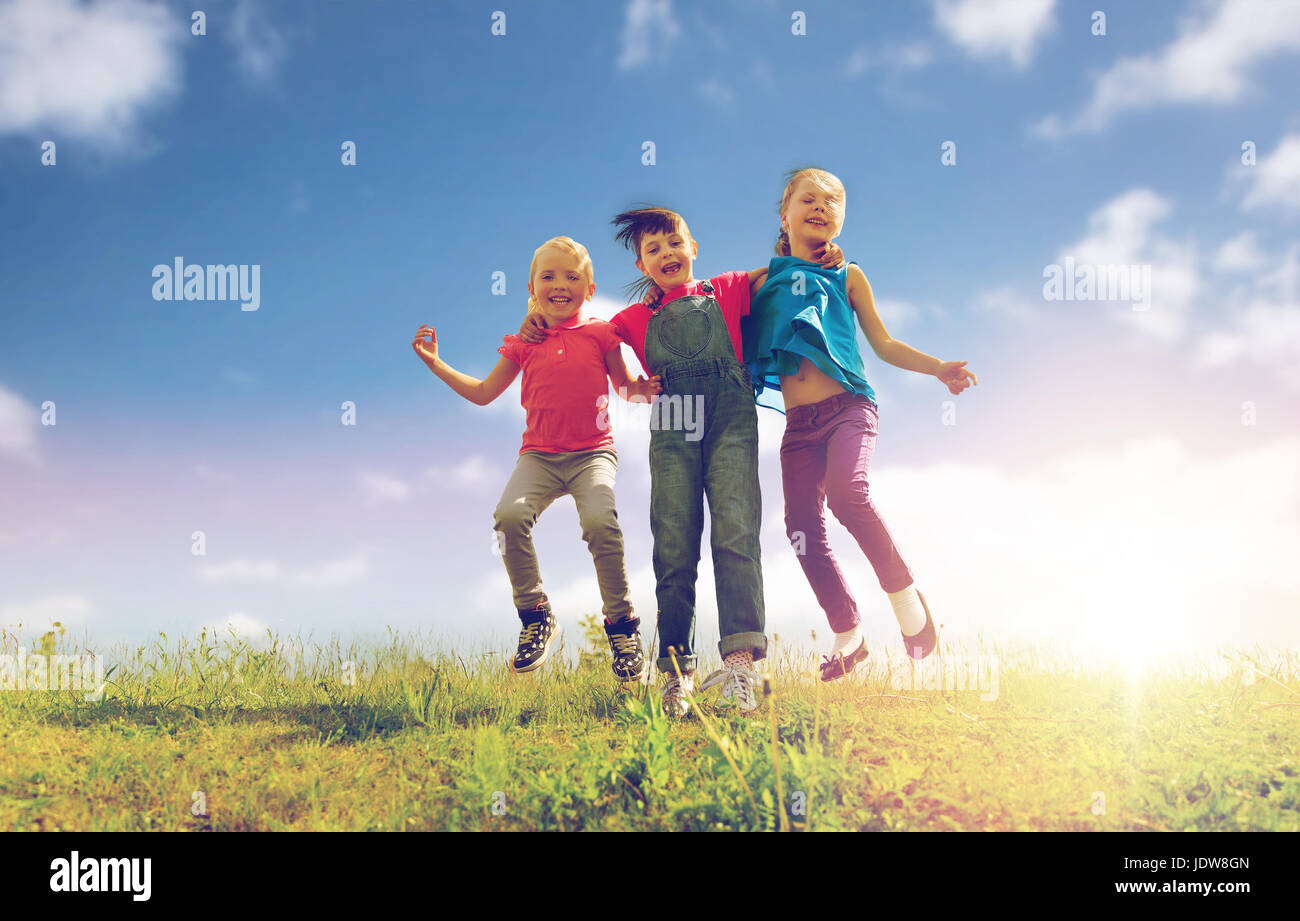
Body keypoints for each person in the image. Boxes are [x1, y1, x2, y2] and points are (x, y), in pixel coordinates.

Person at [744, 168, 978, 681]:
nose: (821, 207)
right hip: (800, 427)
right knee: (801, 525)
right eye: (809, 199)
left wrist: (938, 367)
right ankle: (848, 633)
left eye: (833, 202)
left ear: (841, 221)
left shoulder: (847, 276)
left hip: (850, 409)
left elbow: (885, 343)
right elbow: (707, 298)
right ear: (784, 214)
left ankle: (904, 597)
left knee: (850, 495)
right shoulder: (760, 284)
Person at [412, 236, 660, 680]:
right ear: (531, 287)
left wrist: (641, 390)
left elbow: (623, 385)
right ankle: (535, 617)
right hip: (539, 457)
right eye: (548, 276)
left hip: (592, 454)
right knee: (508, 517)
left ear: (589, 287)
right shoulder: (523, 344)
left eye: (572, 276)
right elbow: (485, 394)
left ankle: (622, 628)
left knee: (601, 523)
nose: (559, 284)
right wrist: (437, 364)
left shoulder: (601, 334)